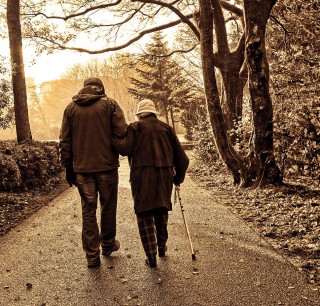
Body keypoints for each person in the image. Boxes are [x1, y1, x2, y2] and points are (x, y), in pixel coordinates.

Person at [59, 77, 127, 268]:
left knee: (88, 211)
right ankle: (107, 245)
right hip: (107, 168)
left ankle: (92, 256)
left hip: (83, 170)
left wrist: (68, 168)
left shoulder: (71, 108)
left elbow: (65, 141)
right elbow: (121, 132)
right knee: (108, 207)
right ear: (101, 88)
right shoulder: (110, 105)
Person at [113, 99, 189, 268]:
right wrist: (177, 178)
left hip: (142, 175)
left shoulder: (135, 127)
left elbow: (124, 148)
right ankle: (161, 247)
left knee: (144, 213)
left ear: (140, 114)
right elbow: (183, 159)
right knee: (161, 210)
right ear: (154, 112)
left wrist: (111, 137)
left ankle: (151, 257)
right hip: (164, 175)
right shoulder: (167, 128)